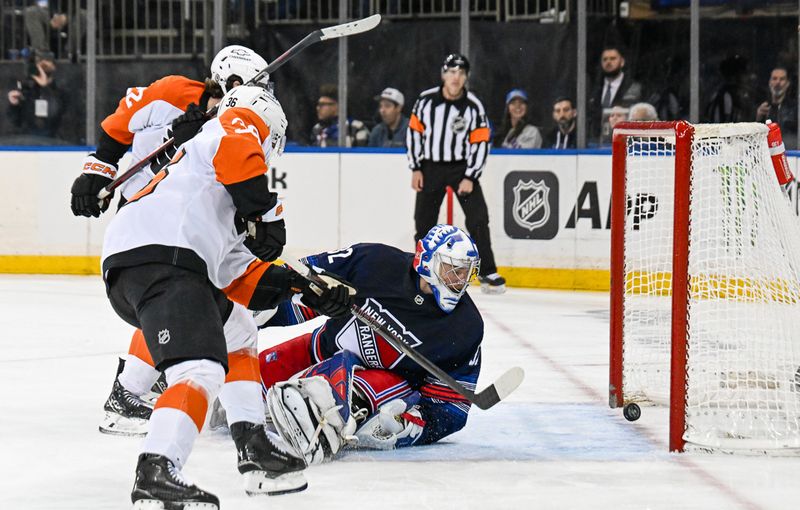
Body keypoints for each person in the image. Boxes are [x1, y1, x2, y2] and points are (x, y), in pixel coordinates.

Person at [101, 84, 355, 508]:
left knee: (238, 330)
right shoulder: (229, 127)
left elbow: (238, 276)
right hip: (160, 260)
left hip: (160, 259)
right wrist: (268, 212)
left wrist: (305, 290)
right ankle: (156, 470)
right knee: (200, 369)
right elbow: (237, 141)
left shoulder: (215, 188)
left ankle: (252, 445)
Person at [256, 224, 483, 463]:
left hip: (383, 384)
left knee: (352, 391)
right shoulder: (374, 262)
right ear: (426, 259)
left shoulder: (465, 327)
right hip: (324, 347)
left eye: (466, 273)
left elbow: (452, 407)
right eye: (453, 270)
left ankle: (329, 417)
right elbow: (308, 284)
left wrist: (413, 427)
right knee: (250, 380)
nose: (460, 280)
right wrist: (263, 301)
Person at [407, 53, 505, 294]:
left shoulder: (473, 106)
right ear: (443, 74)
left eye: (461, 73)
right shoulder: (425, 101)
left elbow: (481, 142)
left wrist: (470, 176)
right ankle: (422, 269)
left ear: (466, 77)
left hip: (461, 168)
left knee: (479, 219)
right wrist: (416, 167)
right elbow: (414, 133)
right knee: (424, 222)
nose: (455, 77)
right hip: (430, 166)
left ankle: (487, 271)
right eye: (451, 72)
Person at [6, 51, 70, 141]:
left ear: (54, 67)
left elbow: (59, 113)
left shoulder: (61, 90)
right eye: (39, 62)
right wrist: (14, 105)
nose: (42, 65)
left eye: (46, 62)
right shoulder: (26, 88)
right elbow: (16, 122)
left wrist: (45, 87)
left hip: (54, 141)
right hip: (28, 140)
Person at [589, 46, 642, 144]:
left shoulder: (634, 88)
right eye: (605, 59)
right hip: (596, 145)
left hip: (627, 144)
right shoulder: (593, 89)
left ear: (622, 62)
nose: (608, 62)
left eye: (613, 58)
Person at [755, 66, 797, 149]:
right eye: (774, 78)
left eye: (782, 79)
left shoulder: (795, 109)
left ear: (787, 83)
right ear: (769, 82)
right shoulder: (761, 107)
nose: (778, 82)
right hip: (767, 153)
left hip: (790, 153)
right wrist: (758, 117)